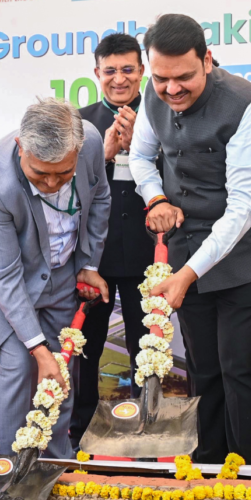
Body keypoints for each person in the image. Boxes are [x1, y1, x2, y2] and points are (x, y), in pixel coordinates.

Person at [130, 14, 251, 464]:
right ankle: (207, 462)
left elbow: (244, 206)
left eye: (184, 77)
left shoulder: (246, 104)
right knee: (203, 366)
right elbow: (141, 157)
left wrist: (185, 275)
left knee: (240, 366)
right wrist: (156, 197)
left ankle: (248, 470)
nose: (172, 89)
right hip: (189, 245)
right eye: (161, 78)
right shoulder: (153, 94)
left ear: (207, 60)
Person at [0, 98, 110, 458]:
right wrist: (37, 349)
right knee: (18, 363)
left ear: (77, 149)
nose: (52, 183)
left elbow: (100, 197)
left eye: (63, 172)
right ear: (20, 147)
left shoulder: (90, 140)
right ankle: (11, 466)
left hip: (61, 276)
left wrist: (88, 263)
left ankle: (56, 461)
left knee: (60, 369)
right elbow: (5, 276)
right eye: (40, 173)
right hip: (5, 284)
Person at [70, 34, 157, 449]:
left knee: (148, 344)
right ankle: (79, 428)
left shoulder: (161, 116)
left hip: (147, 254)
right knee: (85, 343)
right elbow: (61, 190)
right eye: (110, 71)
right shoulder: (78, 123)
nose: (119, 79)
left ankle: (147, 431)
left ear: (142, 71)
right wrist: (102, 155)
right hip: (94, 256)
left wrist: (144, 144)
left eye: (128, 69)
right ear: (96, 74)